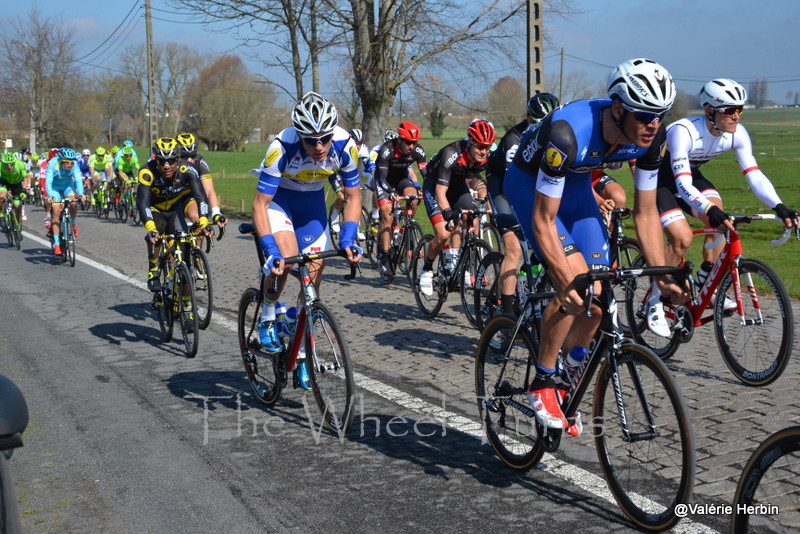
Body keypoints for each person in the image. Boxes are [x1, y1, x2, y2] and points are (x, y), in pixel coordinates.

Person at [504, 58, 686, 431]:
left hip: (576, 188)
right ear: (618, 109)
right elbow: (543, 219)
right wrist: (560, 274)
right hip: (529, 187)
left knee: (598, 301)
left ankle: (572, 368)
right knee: (574, 283)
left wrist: (663, 279)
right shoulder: (568, 133)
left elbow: (647, 214)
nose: (653, 125)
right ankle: (542, 380)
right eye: (644, 115)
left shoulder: (651, 139)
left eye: (660, 115)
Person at [647, 78, 800, 336]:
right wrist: (708, 210)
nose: (736, 116)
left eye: (740, 109)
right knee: (682, 238)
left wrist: (779, 206)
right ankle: (655, 300)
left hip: (690, 177)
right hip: (660, 181)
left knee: (722, 217)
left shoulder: (736, 133)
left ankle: (707, 276)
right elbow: (682, 184)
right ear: (709, 111)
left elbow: (753, 174)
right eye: (730, 110)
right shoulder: (683, 131)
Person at [251, 91, 362, 389]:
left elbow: (353, 197)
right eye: (310, 140)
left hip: (311, 202)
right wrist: (270, 249)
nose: (319, 146)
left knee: (312, 277)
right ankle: (267, 315)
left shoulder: (345, 146)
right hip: (280, 201)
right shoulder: (281, 147)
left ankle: (302, 355)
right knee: (286, 259)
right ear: (299, 134)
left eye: (324, 138)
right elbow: (260, 204)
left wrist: (349, 237)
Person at [485, 93, 559, 314]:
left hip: (528, 185)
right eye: (540, 123)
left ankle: (531, 285)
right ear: (529, 119)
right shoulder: (513, 140)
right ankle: (506, 312)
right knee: (515, 249)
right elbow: (514, 186)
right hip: (503, 186)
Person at [418, 118, 496, 296]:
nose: (484, 152)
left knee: (473, 221)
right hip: (435, 187)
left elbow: (490, 185)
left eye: (488, 147)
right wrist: (447, 213)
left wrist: (493, 209)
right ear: (469, 143)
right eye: (480, 147)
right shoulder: (451, 153)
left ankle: (464, 266)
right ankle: (427, 268)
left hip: (458, 186)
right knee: (443, 233)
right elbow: (440, 191)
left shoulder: (487, 158)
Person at [137, 137, 211, 293]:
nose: (166, 166)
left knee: (184, 256)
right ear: (155, 159)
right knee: (158, 229)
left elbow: (201, 196)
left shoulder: (188, 169)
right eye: (162, 161)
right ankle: (154, 270)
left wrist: (204, 221)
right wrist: (150, 228)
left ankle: (187, 304)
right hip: (154, 208)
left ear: (178, 158)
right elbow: (142, 203)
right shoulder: (146, 171)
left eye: (171, 161)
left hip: (174, 209)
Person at [373, 121, 427, 274]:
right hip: (384, 181)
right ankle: (384, 255)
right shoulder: (387, 150)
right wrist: (391, 192)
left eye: (414, 142)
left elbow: (426, 173)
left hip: (401, 179)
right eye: (408, 142)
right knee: (387, 214)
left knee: (414, 198)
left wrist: (425, 187)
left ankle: (405, 228)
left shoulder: (418, 151)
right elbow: (382, 178)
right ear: (399, 140)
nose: (411, 146)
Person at [176, 132, 227, 230]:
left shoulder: (200, 162)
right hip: (169, 199)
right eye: (185, 157)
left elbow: (209, 191)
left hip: (188, 198)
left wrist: (216, 212)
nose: (190, 160)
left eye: (193, 155)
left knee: (198, 218)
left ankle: (197, 246)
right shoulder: (170, 165)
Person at [45, 148, 85, 255]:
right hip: (55, 188)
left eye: (71, 163)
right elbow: (48, 181)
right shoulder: (53, 163)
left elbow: (78, 180)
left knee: (73, 203)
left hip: (67, 186)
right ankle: (57, 244)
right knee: (56, 210)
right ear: (61, 161)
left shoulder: (74, 165)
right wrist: (49, 196)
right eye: (67, 162)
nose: (69, 165)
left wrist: (81, 194)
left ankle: (73, 224)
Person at [0, 153, 28, 228]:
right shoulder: (1, 166)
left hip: (16, 184)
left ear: (14, 163)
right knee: (1, 196)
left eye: (11, 164)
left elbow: (25, 178)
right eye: (7, 165)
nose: (9, 167)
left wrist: (24, 190)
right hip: (4, 182)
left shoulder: (20, 165)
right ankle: (1, 214)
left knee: (18, 206)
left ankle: (18, 226)